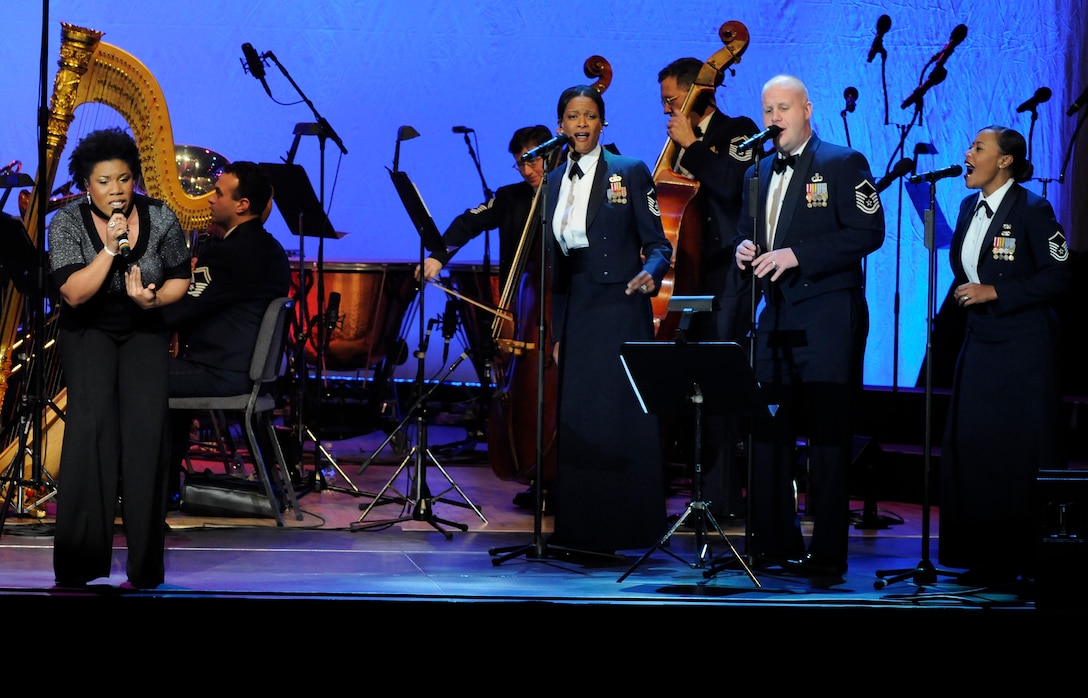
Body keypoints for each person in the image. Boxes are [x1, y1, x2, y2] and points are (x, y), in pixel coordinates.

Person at [733, 75, 885, 577]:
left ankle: (827, 557)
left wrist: (798, 254)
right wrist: (744, 248)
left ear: (807, 110)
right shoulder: (757, 171)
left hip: (827, 317)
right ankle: (773, 544)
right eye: (767, 109)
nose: (774, 118)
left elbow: (869, 231)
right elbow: (748, 232)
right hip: (775, 318)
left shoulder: (843, 163)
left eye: (783, 108)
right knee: (769, 432)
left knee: (827, 436)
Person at [47, 127, 193, 588]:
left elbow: (180, 278)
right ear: (86, 185)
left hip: (144, 330)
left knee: (147, 437)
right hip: (88, 330)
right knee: (92, 433)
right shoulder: (67, 222)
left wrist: (156, 301)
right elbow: (73, 293)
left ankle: (146, 568)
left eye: (125, 180)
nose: (116, 191)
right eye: (105, 182)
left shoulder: (161, 216)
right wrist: (110, 248)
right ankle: (80, 564)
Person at [938, 125, 1070, 586]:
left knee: (1017, 450)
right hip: (981, 341)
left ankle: (1023, 556)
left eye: (978, 148)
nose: (968, 154)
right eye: (970, 145)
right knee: (974, 447)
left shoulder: (1034, 208)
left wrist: (998, 290)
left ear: (1006, 160)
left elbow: (1060, 274)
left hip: (1024, 346)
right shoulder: (966, 207)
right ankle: (981, 554)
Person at [545, 84, 673, 555]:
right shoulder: (554, 180)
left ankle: (630, 530)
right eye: (573, 116)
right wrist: (557, 331)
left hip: (621, 305)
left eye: (590, 115)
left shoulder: (630, 171)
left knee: (619, 418)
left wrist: (650, 273)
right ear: (561, 125)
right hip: (578, 309)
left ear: (602, 123)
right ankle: (580, 533)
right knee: (580, 420)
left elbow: (660, 244)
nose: (581, 124)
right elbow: (556, 270)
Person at [415, 125, 555, 507]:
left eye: (533, 159)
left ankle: (562, 472)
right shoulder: (509, 198)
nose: (527, 170)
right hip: (521, 309)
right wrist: (437, 256)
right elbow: (467, 222)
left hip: (560, 308)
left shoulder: (569, 193)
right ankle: (535, 471)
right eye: (519, 163)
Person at [657, 56, 760, 522]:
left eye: (672, 101)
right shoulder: (676, 143)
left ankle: (723, 499)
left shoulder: (737, 129)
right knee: (679, 379)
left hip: (725, 274)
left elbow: (733, 183)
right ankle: (677, 491)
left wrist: (693, 145)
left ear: (697, 93)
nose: (668, 111)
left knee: (719, 381)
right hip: (688, 276)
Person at [162, 161, 292, 505]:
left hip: (221, 372)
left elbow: (179, 310)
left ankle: (137, 487)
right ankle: (161, 485)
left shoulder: (229, 253)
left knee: (129, 374)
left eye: (218, 193)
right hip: (247, 371)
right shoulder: (270, 248)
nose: (208, 199)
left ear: (242, 205)